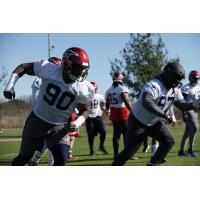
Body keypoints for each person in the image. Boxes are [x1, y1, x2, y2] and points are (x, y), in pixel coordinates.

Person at [3, 47, 95, 166]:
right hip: (37, 121)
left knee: (61, 160)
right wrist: (10, 86)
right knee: (24, 158)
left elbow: (86, 109)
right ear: (67, 64)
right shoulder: (49, 69)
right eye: (78, 68)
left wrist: (77, 123)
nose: (81, 72)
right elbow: (23, 67)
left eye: (83, 69)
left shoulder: (84, 88)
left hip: (59, 127)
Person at [112, 62, 200, 166]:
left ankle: (154, 163)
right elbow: (147, 102)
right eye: (176, 77)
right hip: (138, 122)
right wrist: (165, 115)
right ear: (168, 74)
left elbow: (182, 104)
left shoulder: (175, 89)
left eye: (180, 78)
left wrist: (193, 104)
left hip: (154, 121)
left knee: (169, 140)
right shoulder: (154, 84)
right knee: (129, 152)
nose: (178, 80)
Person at [105, 72, 132, 159]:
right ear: (121, 79)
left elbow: (107, 104)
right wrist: (132, 111)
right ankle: (127, 154)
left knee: (116, 135)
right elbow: (126, 101)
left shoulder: (108, 90)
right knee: (126, 134)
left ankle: (116, 154)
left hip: (114, 112)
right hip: (122, 112)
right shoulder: (122, 88)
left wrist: (108, 110)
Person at [178, 70, 200, 157]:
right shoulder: (185, 87)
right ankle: (190, 149)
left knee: (187, 132)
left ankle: (181, 151)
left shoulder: (198, 87)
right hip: (188, 110)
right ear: (190, 78)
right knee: (194, 128)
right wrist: (183, 113)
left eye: (198, 78)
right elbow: (182, 102)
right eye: (195, 78)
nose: (196, 80)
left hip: (195, 110)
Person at [85, 81, 108, 156]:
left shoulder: (99, 96)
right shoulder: (85, 95)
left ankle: (101, 146)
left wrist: (102, 109)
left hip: (98, 116)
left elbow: (103, 103)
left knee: (104, 131)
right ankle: (91, 150)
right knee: (91, 134)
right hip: (89, 117)